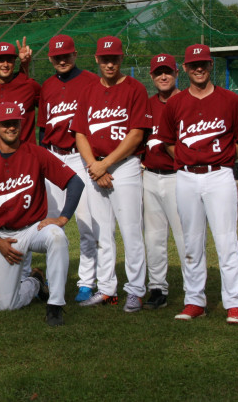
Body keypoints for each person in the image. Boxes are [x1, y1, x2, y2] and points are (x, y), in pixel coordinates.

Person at [158, 44, 238, 324]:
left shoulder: (230, 100)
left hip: (219, 175)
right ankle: (194, 300)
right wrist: (188, 159)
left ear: (211, 66)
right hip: (186, 176)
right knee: (192, 242)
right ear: (184, 69)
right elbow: (169, 142)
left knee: (226, 241)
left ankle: (234, 302)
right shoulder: (175, 103)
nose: (199, 68)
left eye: (204, 64)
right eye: (193, 64)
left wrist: (220, 160)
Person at [0, 102, 83, 326]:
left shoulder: (36, 153)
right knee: (6, 306)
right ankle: (35, 282)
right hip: (4, 235)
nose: (10, 128)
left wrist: (62, 218)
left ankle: (55, 305)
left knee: (57, 237)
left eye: (14, 123)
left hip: (34, 229)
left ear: (21, 125)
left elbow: (75, 182)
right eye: (5, 124)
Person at [72, 36, 151, 312]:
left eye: (114, 58)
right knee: (102, 233)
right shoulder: (88, 91)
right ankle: (107, 290)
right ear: (96, 59)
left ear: (121, 59)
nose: (109, 63)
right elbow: (80, 132)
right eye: (104, 58)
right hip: (94, 166)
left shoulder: (135, 89)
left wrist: (106, 165)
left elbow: (137, 134)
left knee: (131, 231)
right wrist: (95, 164)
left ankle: (136, 290)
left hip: (125, 165)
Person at [37, 34, 99, 303]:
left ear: (75, 55)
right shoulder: (47, 86)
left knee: (86, 223)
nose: (62, 59)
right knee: (51, 225)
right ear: (50, 58)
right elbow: (42, 129)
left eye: (66, 55)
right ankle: (53, 277)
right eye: (56, 56)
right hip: (52, 156)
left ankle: (86, 282)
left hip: (80, 158)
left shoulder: (91, 82)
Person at [142, 53, 186, 309]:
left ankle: (194, 290)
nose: (163, 76)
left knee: (185, 237)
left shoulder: (187, 101)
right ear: (152, 76)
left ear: (177, 72)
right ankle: (157, 288)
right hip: (150, 176)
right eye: (158, 72)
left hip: (179, 177)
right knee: (154, 237)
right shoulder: (148, 105)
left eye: (167, 71)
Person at [0, 41, 41, 150]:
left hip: (24, 153)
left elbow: (51, 107)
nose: (5, 64)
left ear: (14, 62)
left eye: (9, 60)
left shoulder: (29, 86)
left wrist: (25, 64)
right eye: (1, 60)